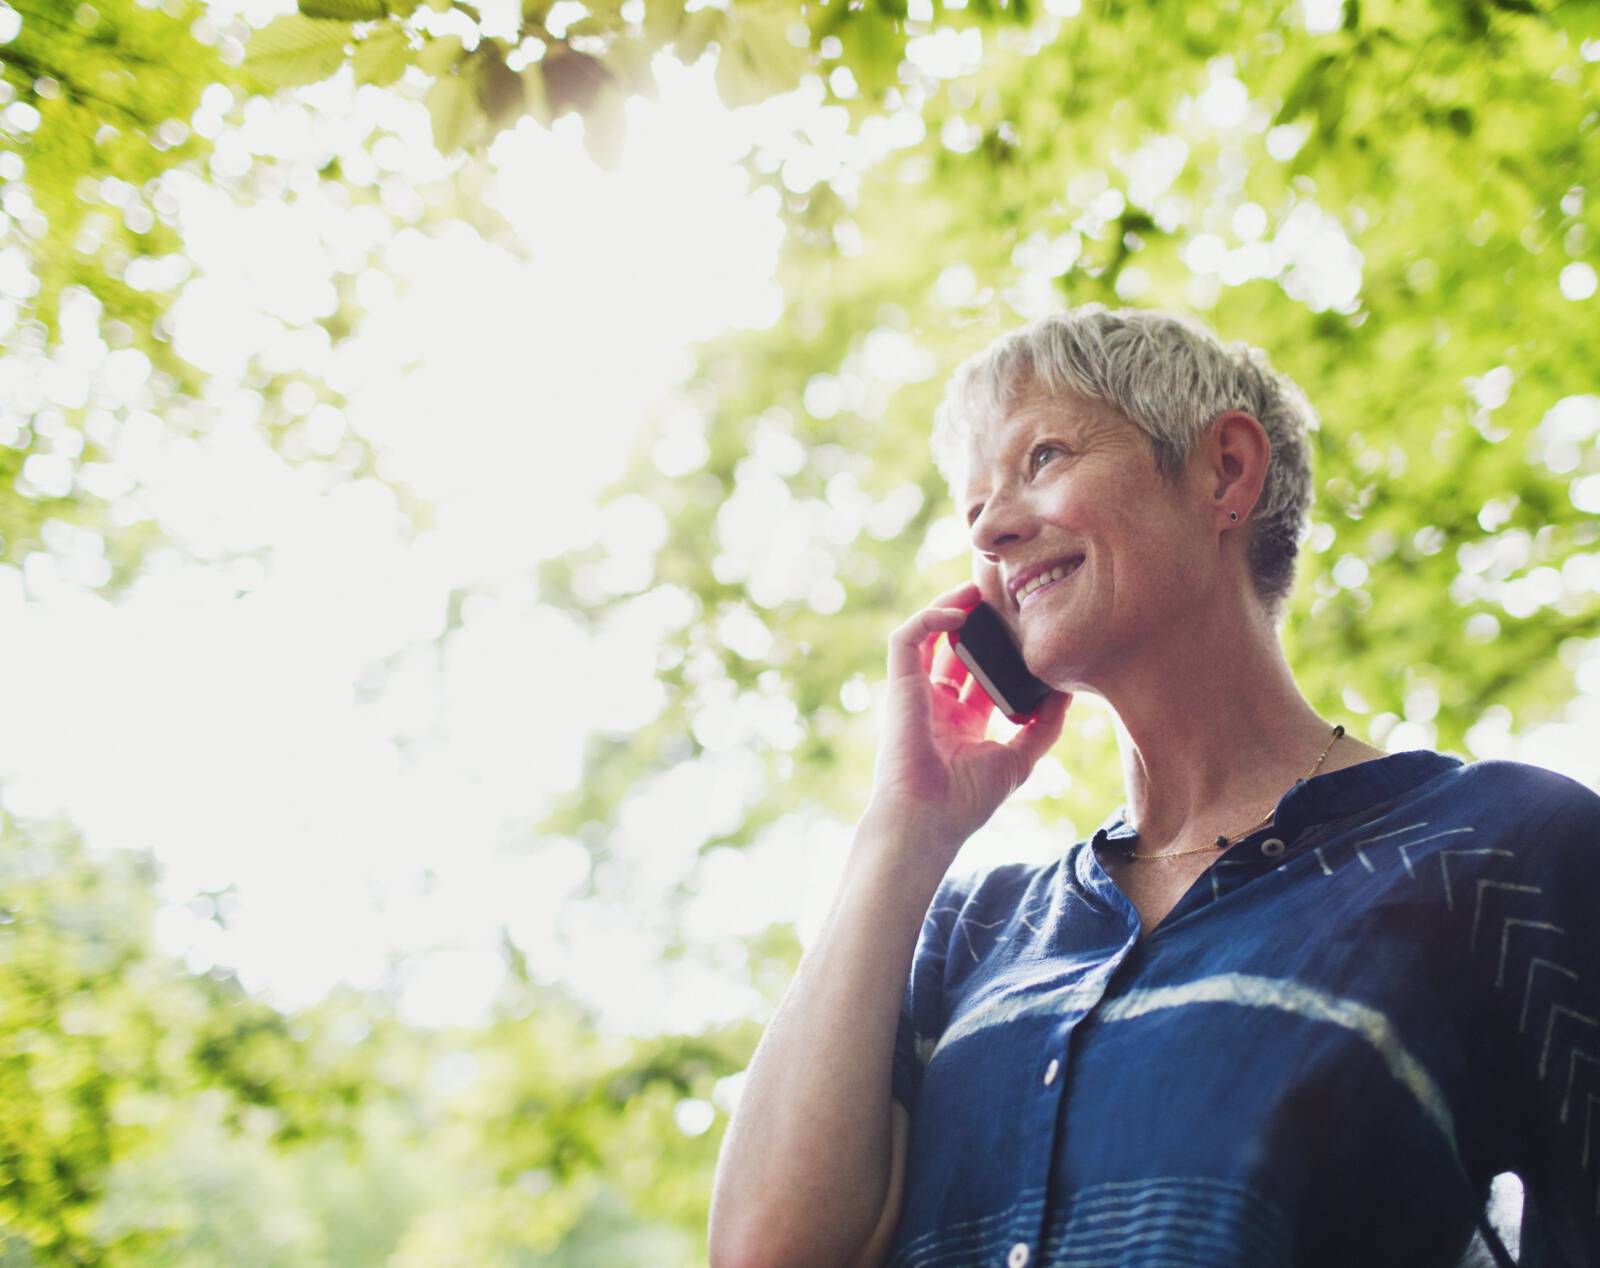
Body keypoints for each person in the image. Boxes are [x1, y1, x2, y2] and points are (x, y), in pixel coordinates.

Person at [706, 305, 1600, 1268]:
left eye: (1042, 458)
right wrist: (906, 828)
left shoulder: (1503, 850)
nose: (997, 530)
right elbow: (767, 1252)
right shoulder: (969, 928)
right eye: (973, 512)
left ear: (1225, 471)